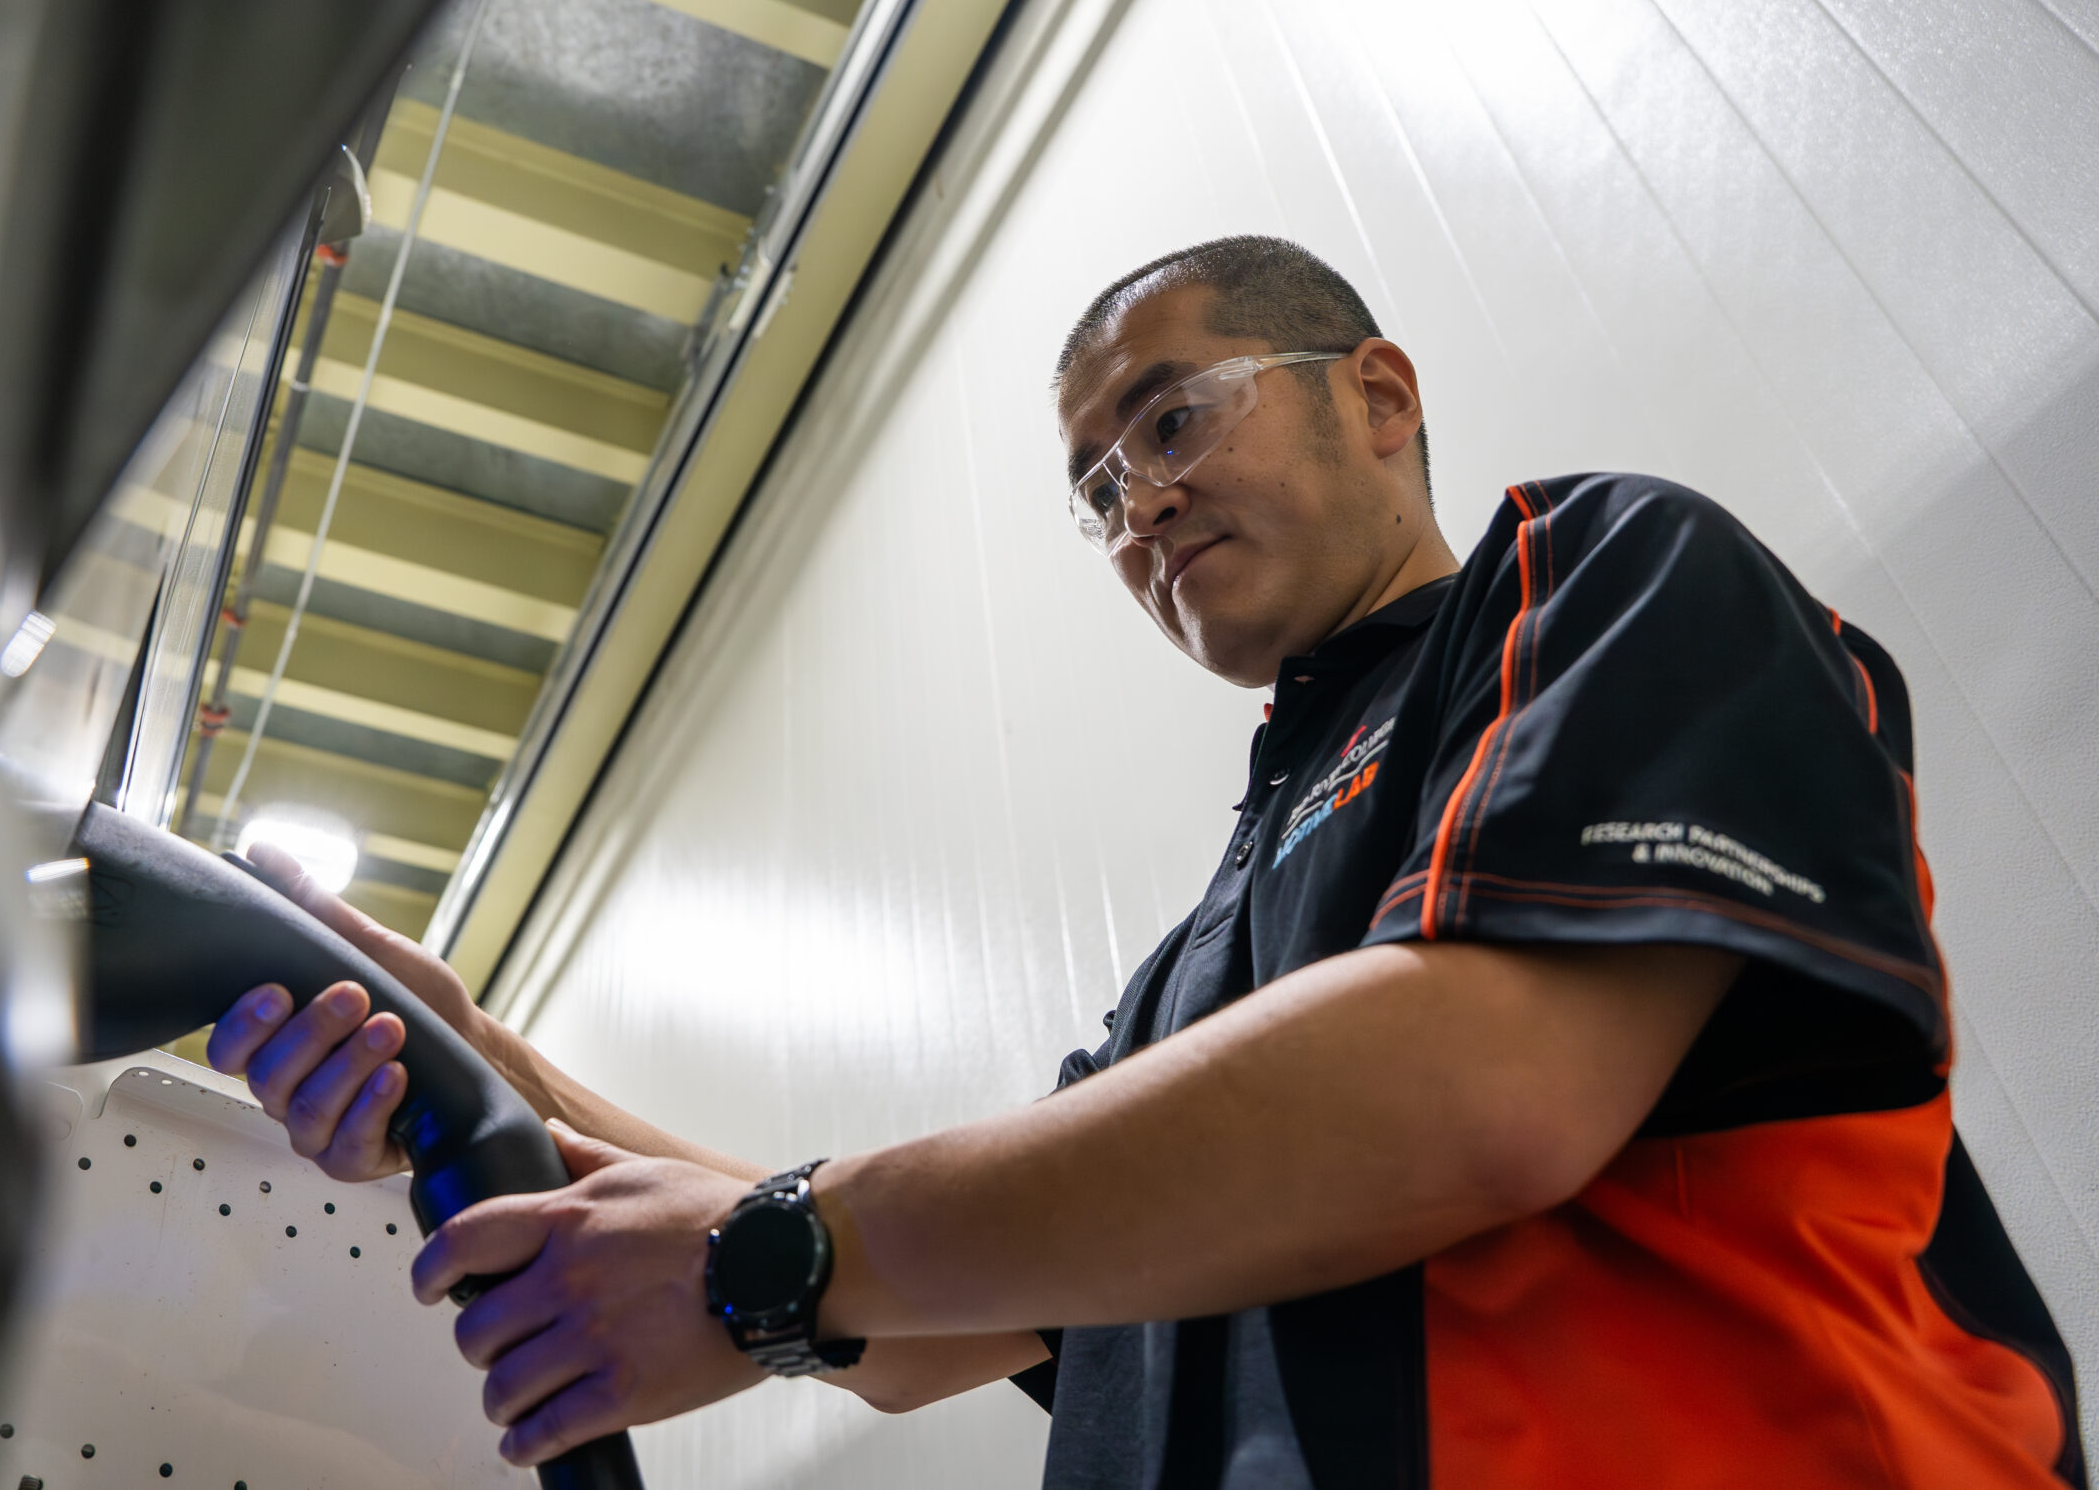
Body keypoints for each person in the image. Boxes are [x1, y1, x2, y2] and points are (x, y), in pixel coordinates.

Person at [209, 236, 2084, 1487]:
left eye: (1173, 418)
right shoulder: (1207, 958)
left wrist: (766, 1259)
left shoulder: (1591, 580)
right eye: (1099, 489)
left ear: (1378, 395)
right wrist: (479, 1074)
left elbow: (1484, 1094)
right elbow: (938, 1316)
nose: (1144, 501)